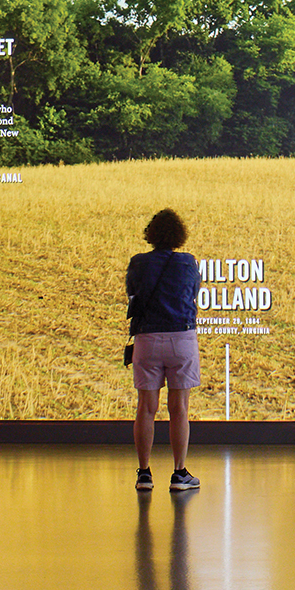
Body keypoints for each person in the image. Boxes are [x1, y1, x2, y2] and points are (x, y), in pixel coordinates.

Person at [127, 208, 201, 493]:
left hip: (147, 338)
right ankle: (179, 474)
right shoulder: (188, 263)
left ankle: (144, 474)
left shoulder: (138, 262)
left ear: (151, 234)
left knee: (146, 407)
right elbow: (193, 296)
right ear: (179, 235)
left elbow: (132, 294)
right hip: (181, 337)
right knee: (179, 408)